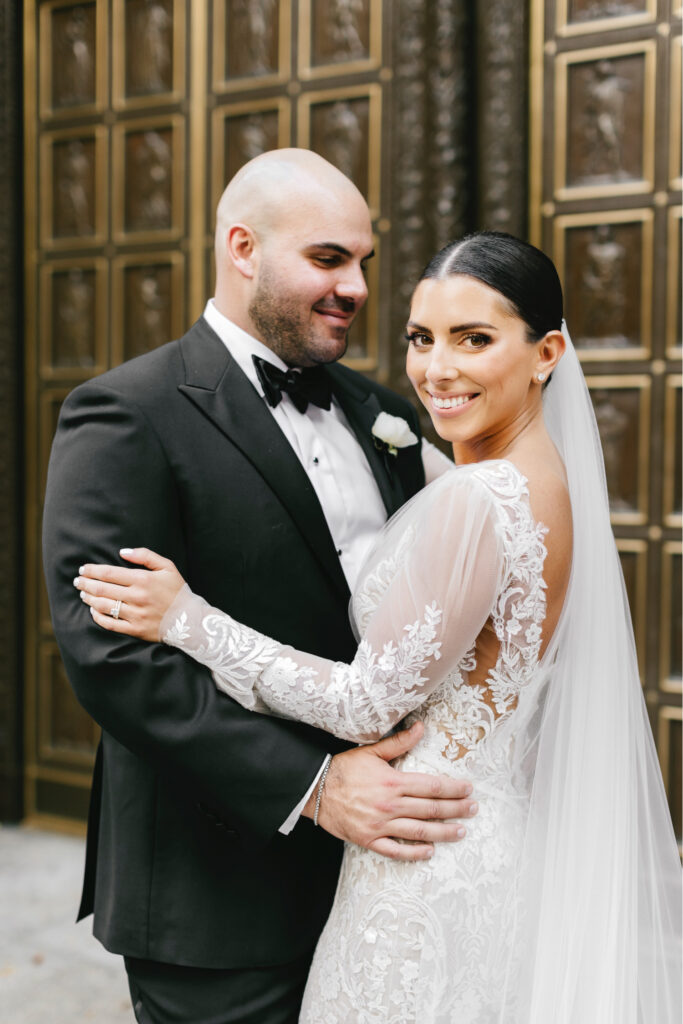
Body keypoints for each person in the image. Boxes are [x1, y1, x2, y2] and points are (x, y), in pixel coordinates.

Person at [75, 231, 682, 1022]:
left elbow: (366, 706)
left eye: (474, 339)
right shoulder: (544, 485)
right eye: (420, 339)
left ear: (546, 353)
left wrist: (188, 620)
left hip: (417, 859)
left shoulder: (478, 499)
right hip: (484, 834)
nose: (437, 369)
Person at [42, 149, 475, 1024]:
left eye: (362, 262)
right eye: (326, 259)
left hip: (383, 881)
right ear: (242, 248)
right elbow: (111, 661)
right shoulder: (125, 412)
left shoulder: (379, 412)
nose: (355, 286)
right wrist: (315, 785)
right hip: (215, 892)